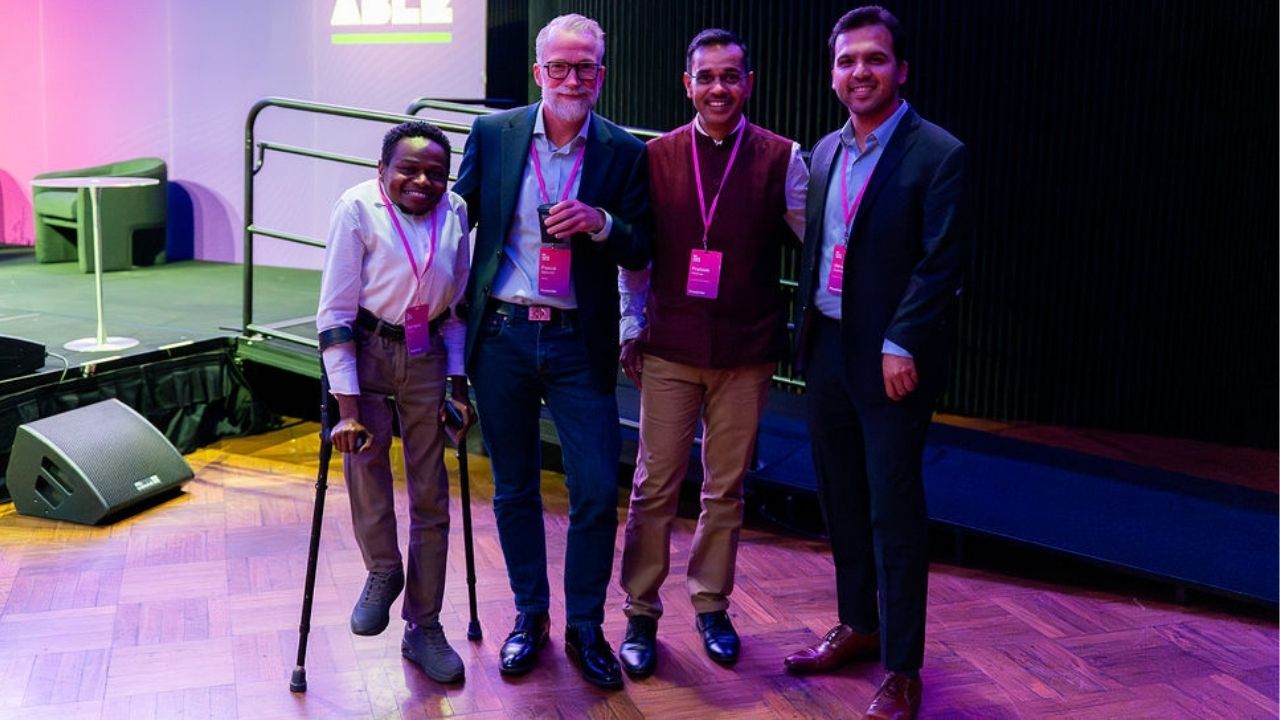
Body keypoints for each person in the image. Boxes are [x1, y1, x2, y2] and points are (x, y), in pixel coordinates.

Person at [452, 13, 651, 690]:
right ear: (538, 72)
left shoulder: (624, 151)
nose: (573, 78)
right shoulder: (494, 134)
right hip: (503, 336)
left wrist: (602, 223)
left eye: (586, 67)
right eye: (560, 67)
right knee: (513, 489)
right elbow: (456, 221)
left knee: (595, 489)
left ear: (601, 73)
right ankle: (530, 617)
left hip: (576, 340)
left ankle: (586, 626)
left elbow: (642, 243)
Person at [783, 7, 967, 720]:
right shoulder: (826, 150)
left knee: (895, 509)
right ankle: (858, 625)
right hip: (826, 348)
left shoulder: (938, 152)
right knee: (842, 499)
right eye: (847, 61)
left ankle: (903, 667)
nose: (860, 72)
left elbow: (941, 262)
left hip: (892, 359)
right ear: (834, 73)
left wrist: (901, 342)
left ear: (901, 69)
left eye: (874, 59)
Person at [614, 28, 807, 678]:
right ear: (687, 84)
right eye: (707, 77)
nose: (718, 87)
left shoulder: (785, 158)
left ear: (748, 84)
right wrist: (629, 324)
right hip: (668, 347)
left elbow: (820, 244)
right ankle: (640, 613)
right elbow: (636, 258)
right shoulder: (657, 155)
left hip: (747, 353)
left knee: (726, 490)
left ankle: (711, 605)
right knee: (653, 487)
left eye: (731, 76)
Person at [315, 120, 475, 684]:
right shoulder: (355, 209)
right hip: (368, 351)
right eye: (408, 169)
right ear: (382, 170)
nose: (423, 181)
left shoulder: (454, 210)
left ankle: (424, 625)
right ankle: (383, 570)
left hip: (428, 353)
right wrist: (348, 408)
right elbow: (333, 314)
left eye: (436, 171)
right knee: (365, 464)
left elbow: (455, 310)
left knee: (432, 493)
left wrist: (458, 387)